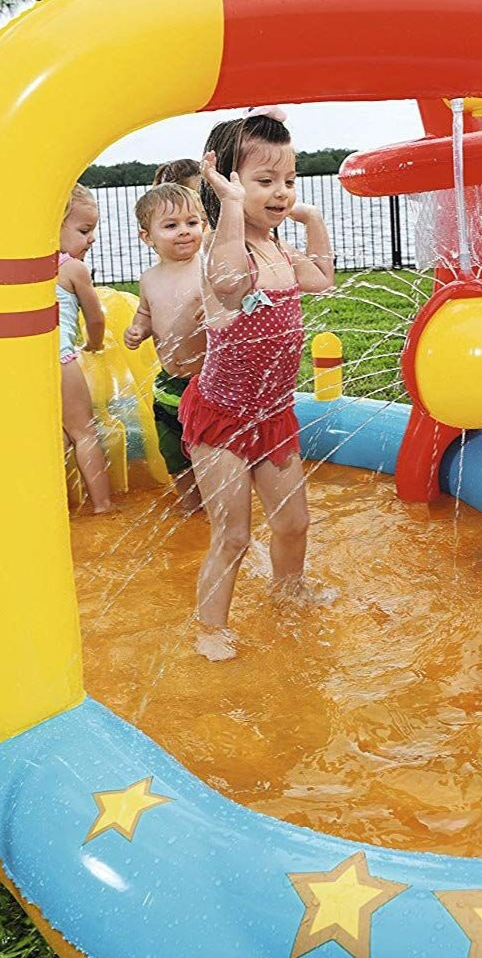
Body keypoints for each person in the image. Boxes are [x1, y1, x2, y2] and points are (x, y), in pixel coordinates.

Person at [180, 106, 335, 661]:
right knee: (235, 535)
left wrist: (311, 219)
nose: (280, 193)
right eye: (264, 181)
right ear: (225, 180)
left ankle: (288, 591)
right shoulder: (226, 249)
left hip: (271, 414)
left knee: (294, 522)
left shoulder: (277, 248)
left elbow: (323, 279)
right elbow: (229, 284)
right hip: (221, 419)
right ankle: (209, 627)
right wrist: (225, 205)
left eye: (288, 181)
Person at [124, 183, 207, 513]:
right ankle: (190, 508)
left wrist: (222, 307)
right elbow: (146, 313)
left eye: (192, 222)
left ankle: (219, 509)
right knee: (173, 453)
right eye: (171, 226)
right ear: (148, 237)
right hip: (169, 385)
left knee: (211, 451)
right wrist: (137, 329)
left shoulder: (208, 269)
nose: (184, 232)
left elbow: (239, 300)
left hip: (208, 384)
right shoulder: (149, 279)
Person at [58, 184, 113, 513]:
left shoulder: (21, 270)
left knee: (53, 436)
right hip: (60, 362)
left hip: (22, 365)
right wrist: (92, 345)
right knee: (84, 433)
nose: (91, 238)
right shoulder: (73, 269)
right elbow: (95, 320)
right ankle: (103, 504)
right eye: (84, 230)